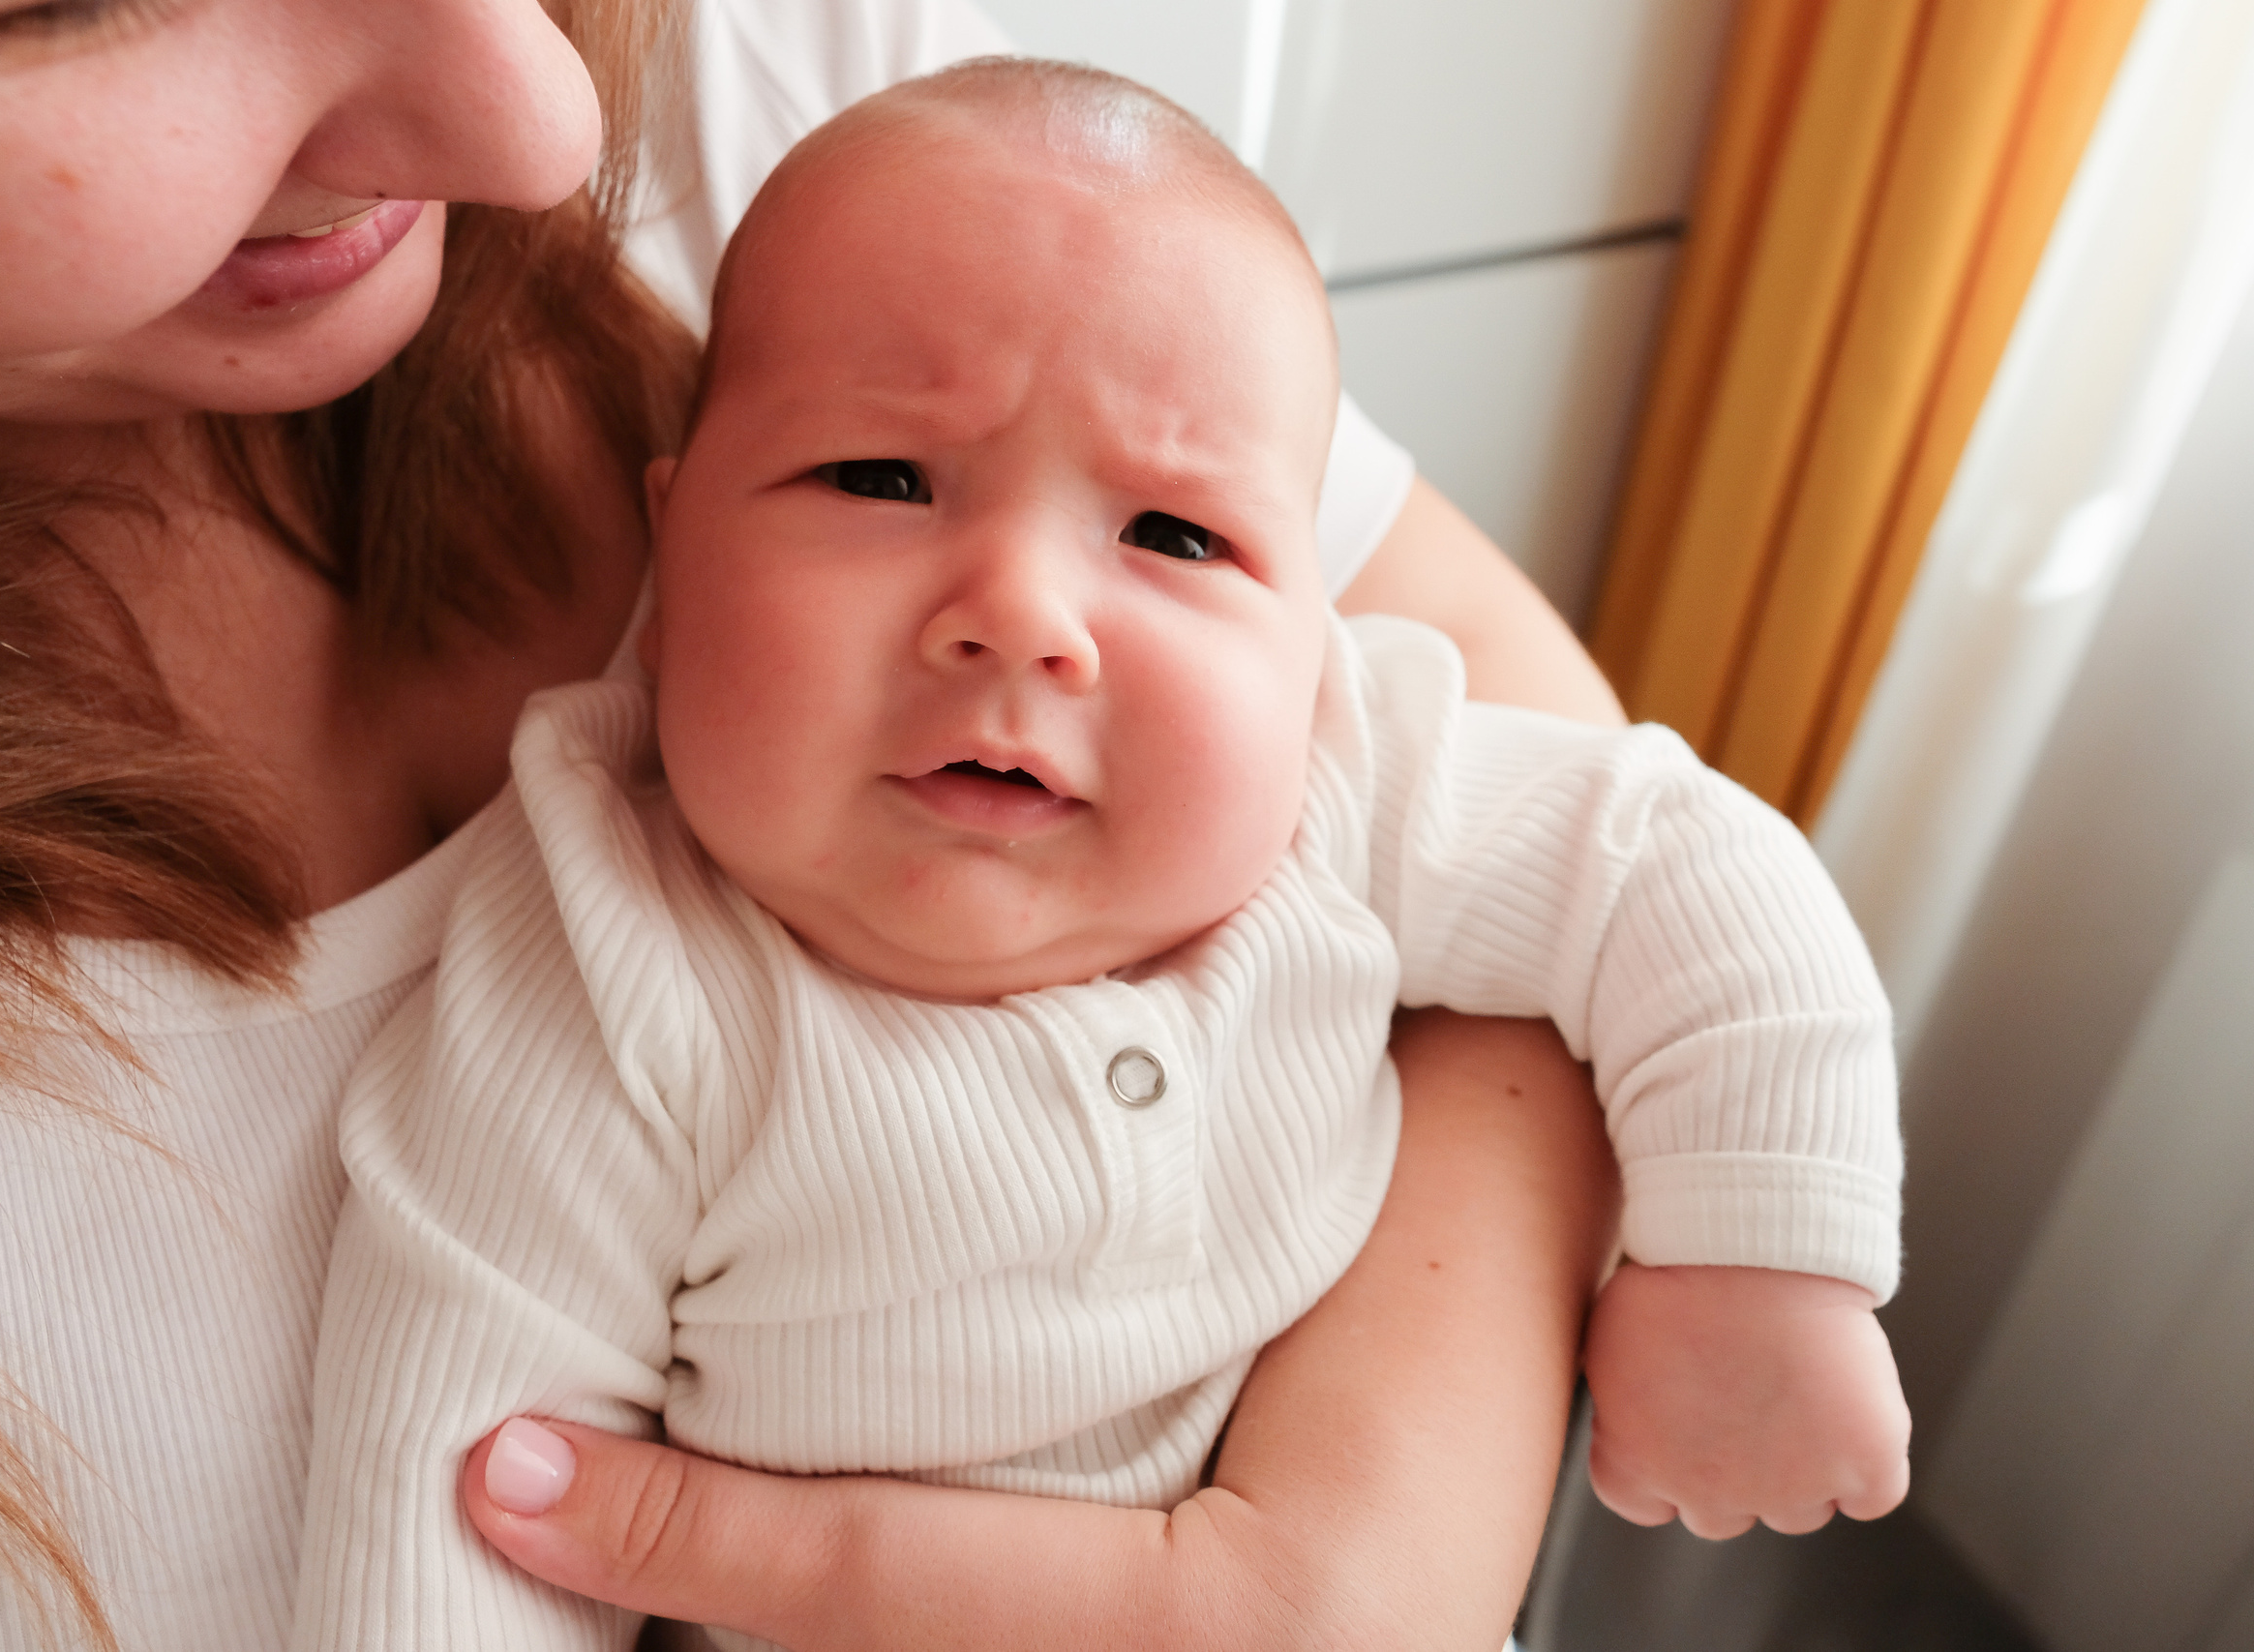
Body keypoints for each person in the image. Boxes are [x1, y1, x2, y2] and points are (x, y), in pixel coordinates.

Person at [0, 1, 1625, 1649]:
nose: (545, 125)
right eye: (83, 13)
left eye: (1164, 538)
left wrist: (1362, 1568)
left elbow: (1568, 785)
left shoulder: (804, 78)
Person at [294, 59, 1910, 1652]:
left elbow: (1678, 868)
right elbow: (445, 1505)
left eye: (1175, 536)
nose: (1021, 614)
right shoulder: (611, 960)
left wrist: (1760, 1260)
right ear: (672, 547)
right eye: (882, 477)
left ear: (1308, 615)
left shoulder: (1338, 771)